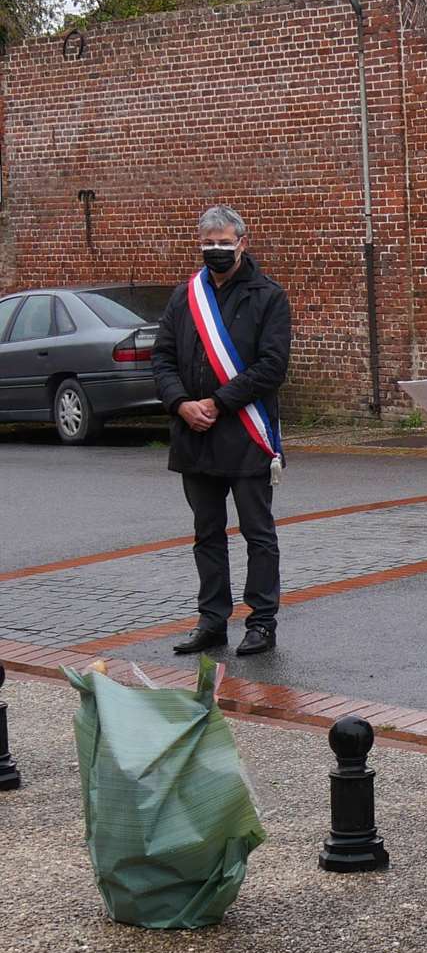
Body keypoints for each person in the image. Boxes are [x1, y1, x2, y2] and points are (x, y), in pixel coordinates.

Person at [152, 206, 290, 658]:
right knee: (206, 534)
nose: (216, 250)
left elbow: (272, 366)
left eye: (224, 243)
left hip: (246, 435)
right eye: (208, 243)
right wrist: (181, 403)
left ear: (242, 243)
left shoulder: (268, 296)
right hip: (195, 435)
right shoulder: (185, 297)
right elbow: (162, 358)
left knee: (257, 533)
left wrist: (217, 402)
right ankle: (212, 621)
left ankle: (261, 621)